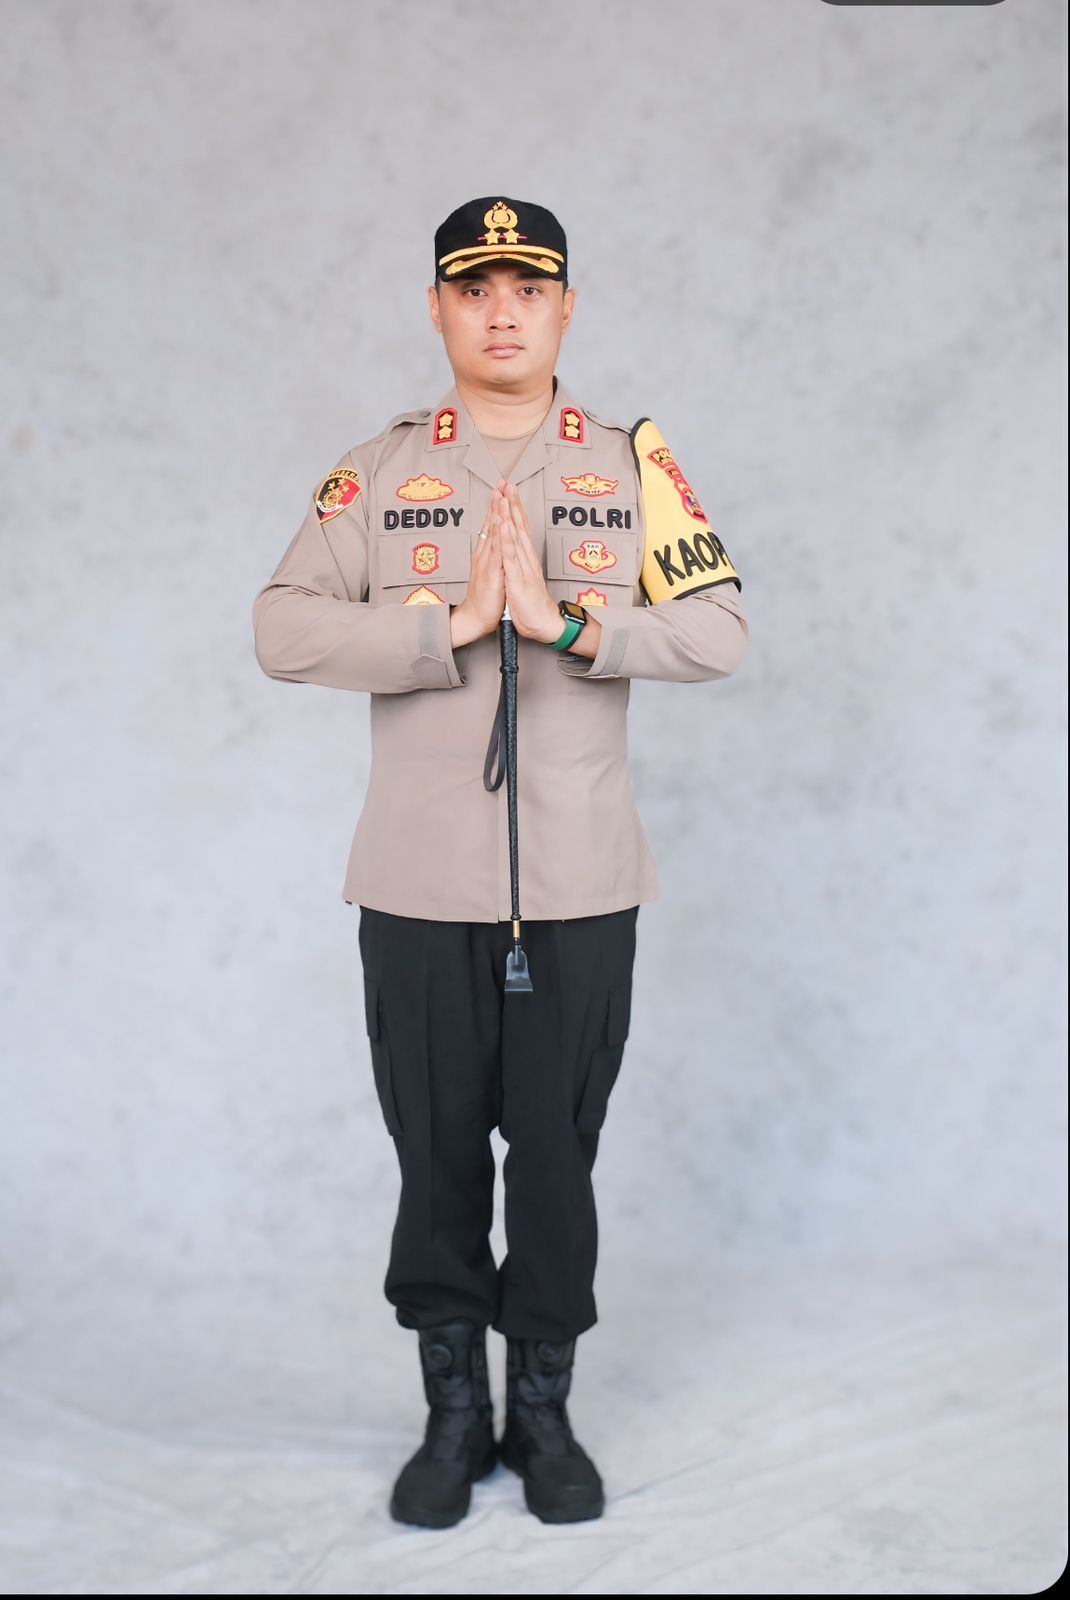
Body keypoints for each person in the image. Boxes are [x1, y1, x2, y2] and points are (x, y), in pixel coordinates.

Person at [251, 195, 749, 1530]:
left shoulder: (630, 468)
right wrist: (451, 625)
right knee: (433, 1160)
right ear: (438, 309)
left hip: (581, 888)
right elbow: (281, 629)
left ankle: (541, 1410)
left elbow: (717, 632)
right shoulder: (380, 470)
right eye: (474, 288)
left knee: (556, 1162)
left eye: (528, 287)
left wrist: (570, 622)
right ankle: (452, 1415)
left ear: (567, 306)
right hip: (418, 890)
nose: (503, 311)